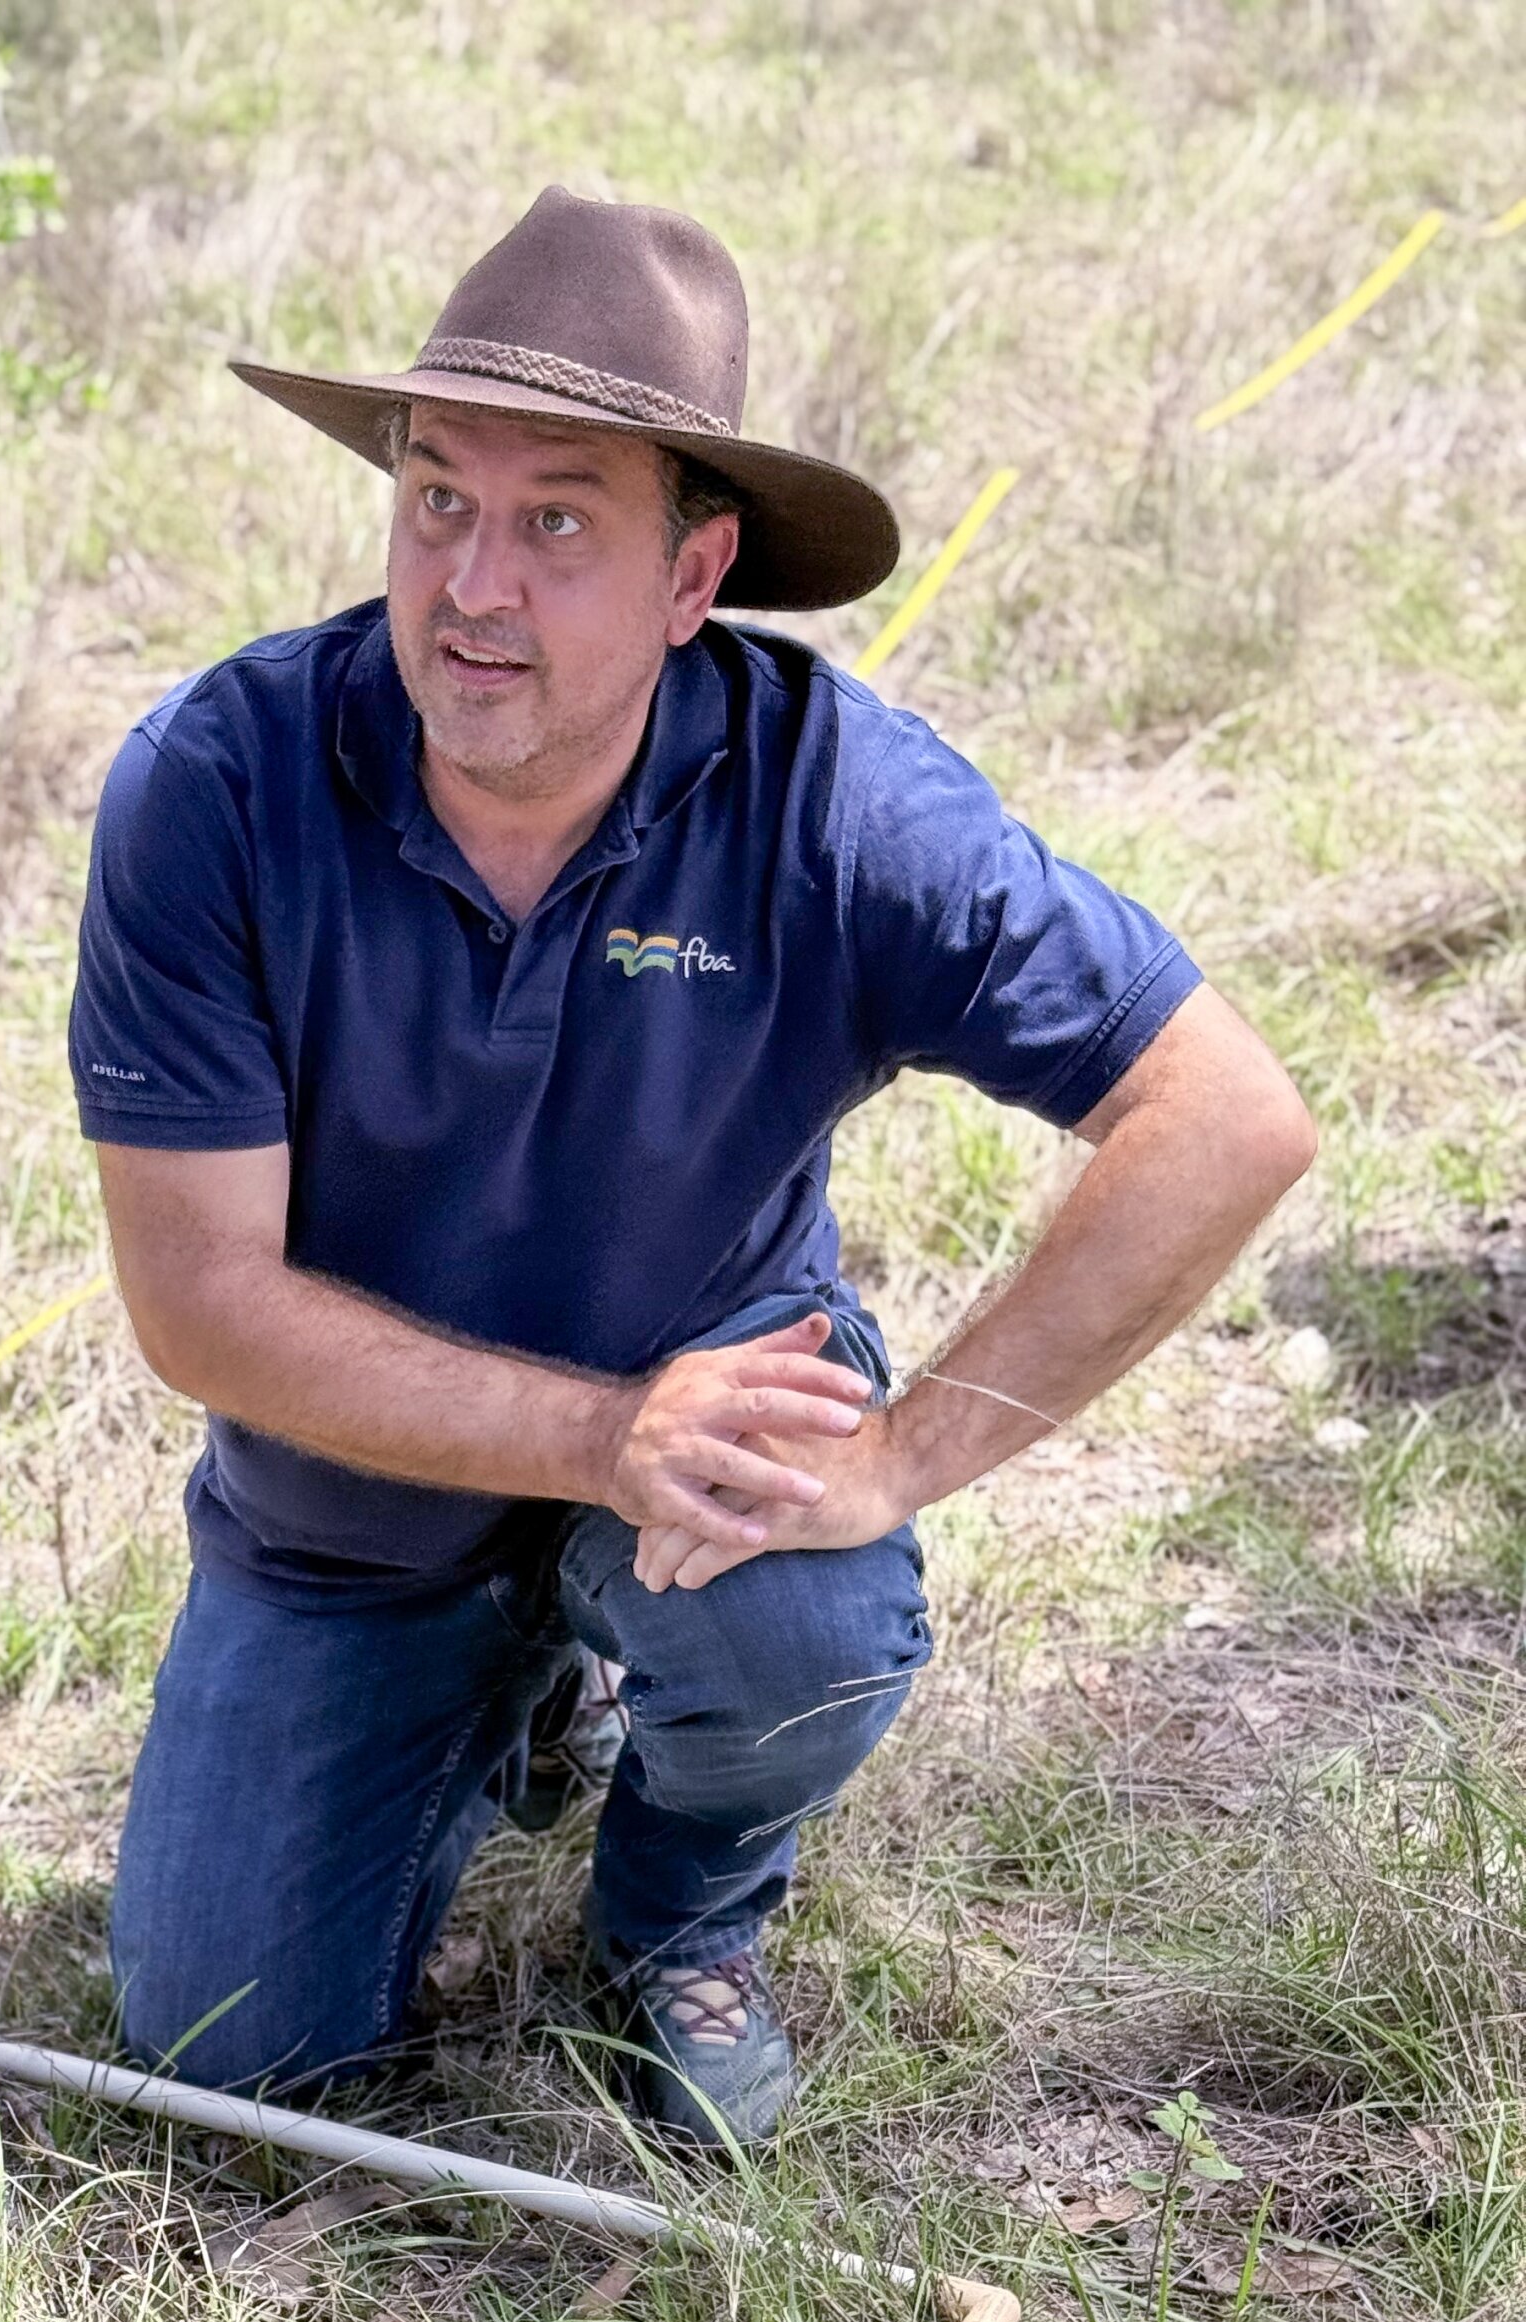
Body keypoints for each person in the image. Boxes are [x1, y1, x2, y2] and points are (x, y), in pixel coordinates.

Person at [68, 187, 1314, 2143]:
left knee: (806, 1631)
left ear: (691, 570)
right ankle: (506, 1702)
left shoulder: (831, 804)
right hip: (346, 1514)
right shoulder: (213, 788)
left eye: (558, 520)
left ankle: (673, 1921)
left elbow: (1223, 1117)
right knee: (232, 2050)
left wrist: (898, 1458)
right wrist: (595, 1441)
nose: (472, 584)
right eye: (435, 499)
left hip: (709, 1429)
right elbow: (199, 1304)